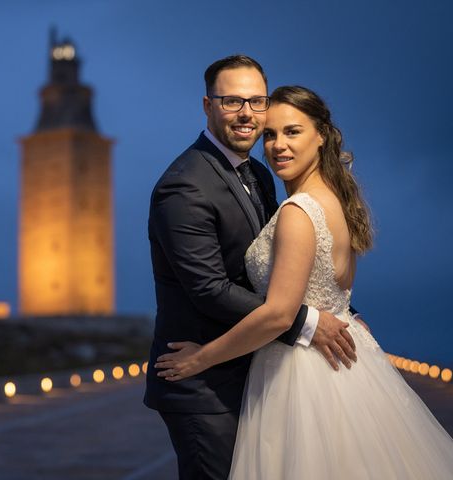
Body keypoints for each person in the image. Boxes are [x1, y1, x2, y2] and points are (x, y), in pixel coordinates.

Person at [155, 85, 453, 478]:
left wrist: (200, 358)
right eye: (271, 135)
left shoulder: (298, 211)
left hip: (301, 375)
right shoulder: (337, 201)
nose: (278, 145)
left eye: (292, 131)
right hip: (349, 364)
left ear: (322, 135)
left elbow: (279, 315)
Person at [143, 55, 361, 480]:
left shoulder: (259, 174)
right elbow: (209, 288)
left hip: (255, 372)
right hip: (201, 385)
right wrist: (309, 321)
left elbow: (288, 265)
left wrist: (343, 313)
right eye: (232, 101)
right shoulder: (184, 185)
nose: (247, 113)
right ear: (208, 106)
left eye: (256, 101)